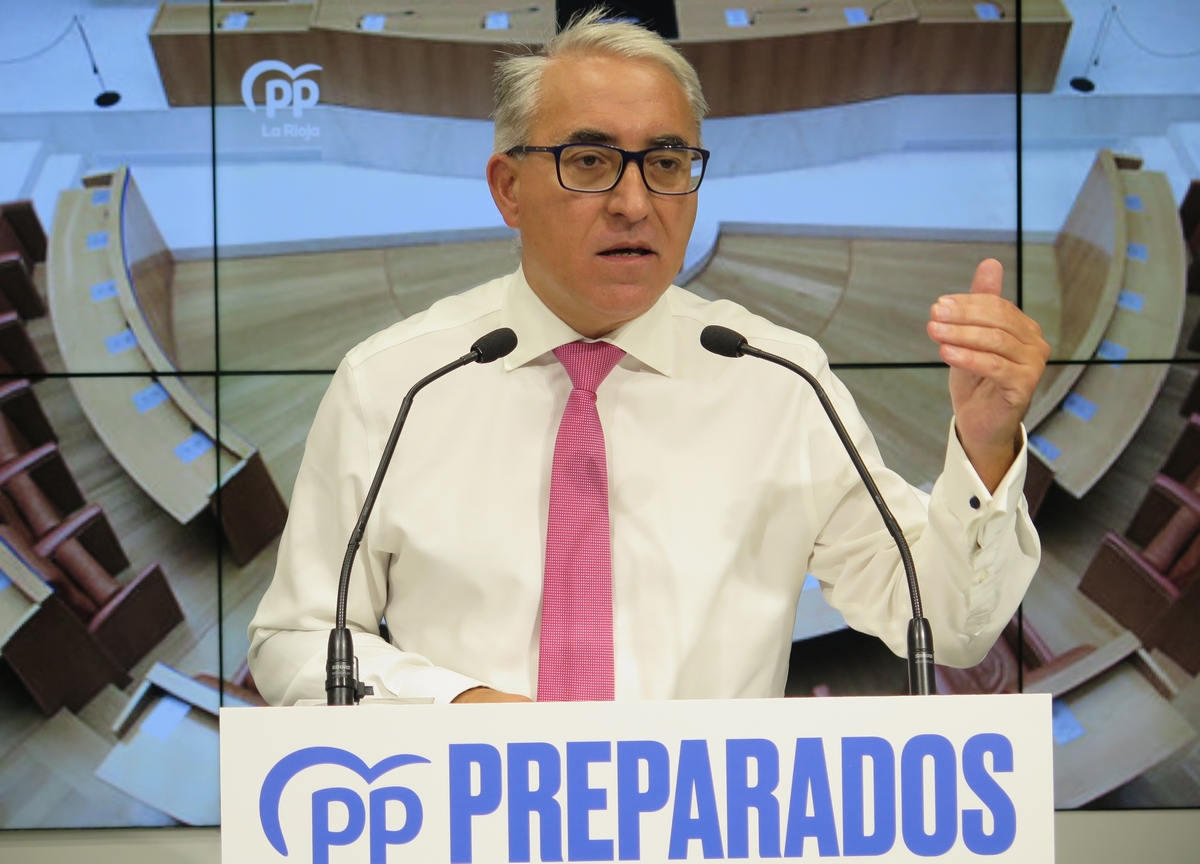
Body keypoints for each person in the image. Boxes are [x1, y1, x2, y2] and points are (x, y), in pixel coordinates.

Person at [247, 12, 1048, 706]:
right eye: (590, 161)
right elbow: (295, 641)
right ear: (509, 188)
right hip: (471, 806)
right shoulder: (398, 384)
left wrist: (985, 448)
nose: (634, 203)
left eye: (665, 164)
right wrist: (460, 710)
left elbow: (947, 625)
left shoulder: (780, 380)